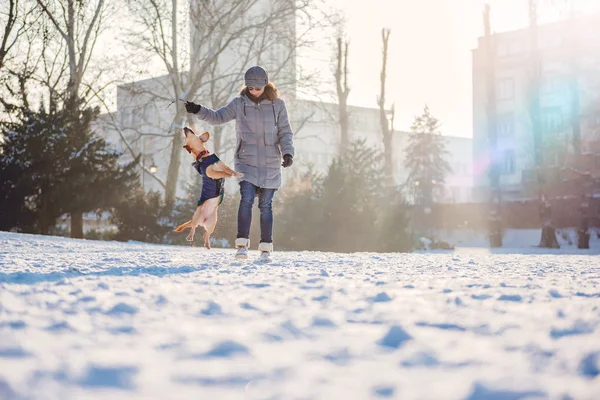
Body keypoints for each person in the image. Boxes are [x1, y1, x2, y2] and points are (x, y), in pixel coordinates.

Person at [184, 66, 294, 261]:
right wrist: (198, 110)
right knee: (246, 200)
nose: (254, 91)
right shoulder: (239, 104)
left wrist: (287, 153)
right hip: (246, 161)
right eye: (251, 88)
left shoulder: (278, 105)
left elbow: (285, 131)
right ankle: (242, 246)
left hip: (271, 162)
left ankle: (266, 248)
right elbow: (218, 117)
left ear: (265, 85)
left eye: (258, 88)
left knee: (266, 205)